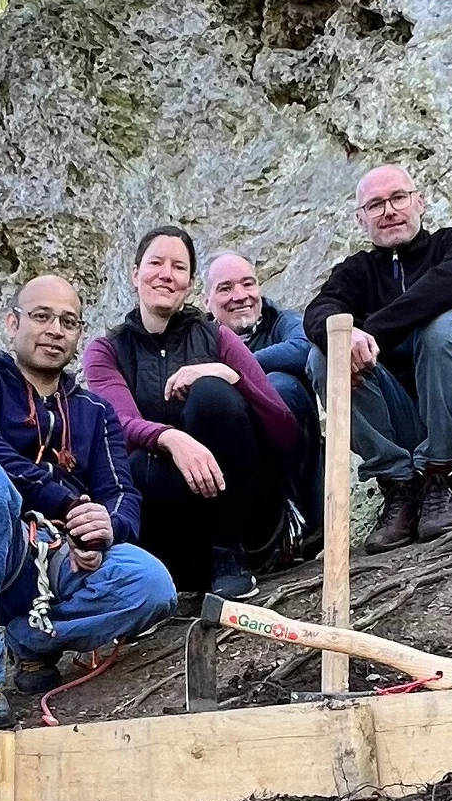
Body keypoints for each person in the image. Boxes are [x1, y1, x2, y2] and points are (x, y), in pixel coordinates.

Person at [0, 274, 176, 731]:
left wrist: (103, 529)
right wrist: (66, 505)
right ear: (13, 323)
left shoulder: (95, 411)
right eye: (42, 316)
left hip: (66, 556)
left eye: (68, 321)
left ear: (79, 333)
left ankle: (31, 640)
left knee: (152, 585)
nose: (55, 330)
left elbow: (122, 493)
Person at [303, 165, 452, 553]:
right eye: (375, 205)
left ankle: (443, 477)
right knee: (326, 354)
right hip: (408, 430)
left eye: (398, 198)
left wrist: (372, 332)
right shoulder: (355, 274)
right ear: (360, 219)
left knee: (445, 325)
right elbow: (319, 312)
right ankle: (400, 487)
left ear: (420, 202)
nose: (389, 211)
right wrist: (346, 336)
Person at [83, 227, 300, 600]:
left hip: (237, 509)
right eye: (156, 263)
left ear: (189, 284)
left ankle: (228, 556)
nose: (166, 274)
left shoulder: (218, 338)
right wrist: (172, 439)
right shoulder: (107, 350)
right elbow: (121, 424)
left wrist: (230, 376)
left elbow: (285, 431)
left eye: (179, 267)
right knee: (135, 461)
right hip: (162, 511)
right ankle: (158, 577)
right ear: (135, 275)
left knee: (212, 394)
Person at [204, 250, 322, 549]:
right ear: (207, 301)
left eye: (248, 284)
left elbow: (306, 347)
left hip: (294, 462)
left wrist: (235, 370)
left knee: (279, 386)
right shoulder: (197, 339)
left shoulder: (282, 321)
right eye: (225, 288)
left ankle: (294, 523)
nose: (240, 296)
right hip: (232, 466)